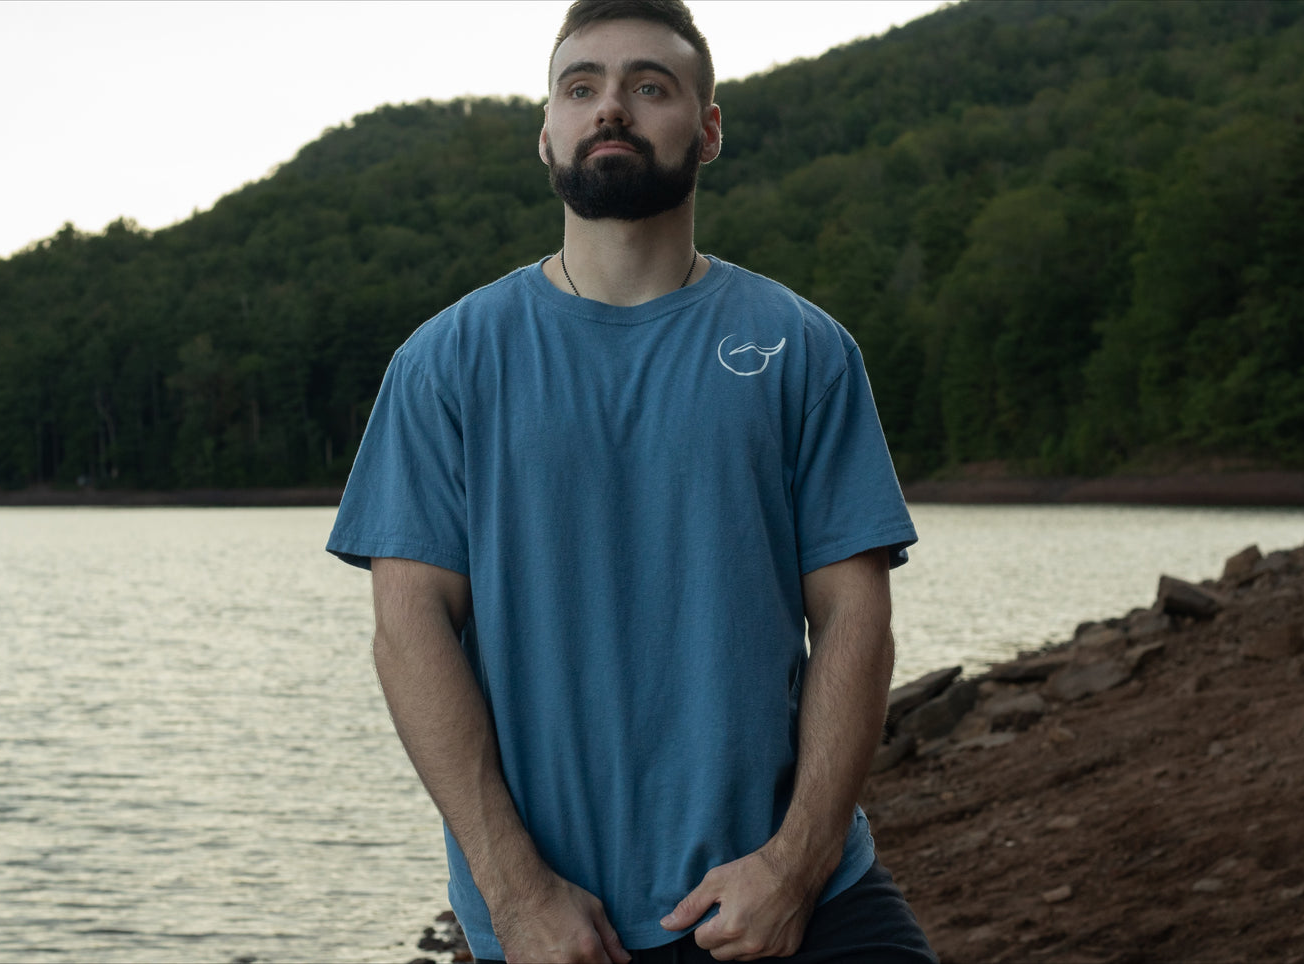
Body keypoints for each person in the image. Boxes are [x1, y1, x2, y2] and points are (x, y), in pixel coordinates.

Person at [326, 2, 936, 961]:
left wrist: (794, 864)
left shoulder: (802, 349)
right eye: (581, 87)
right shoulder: (446, 362)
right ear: (547, 132)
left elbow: (854, 618)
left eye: (649, 86)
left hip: (797, 902)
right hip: (561, 927)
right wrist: (516, 892)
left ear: (707, 128)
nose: (610, 107)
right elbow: (408, 633)